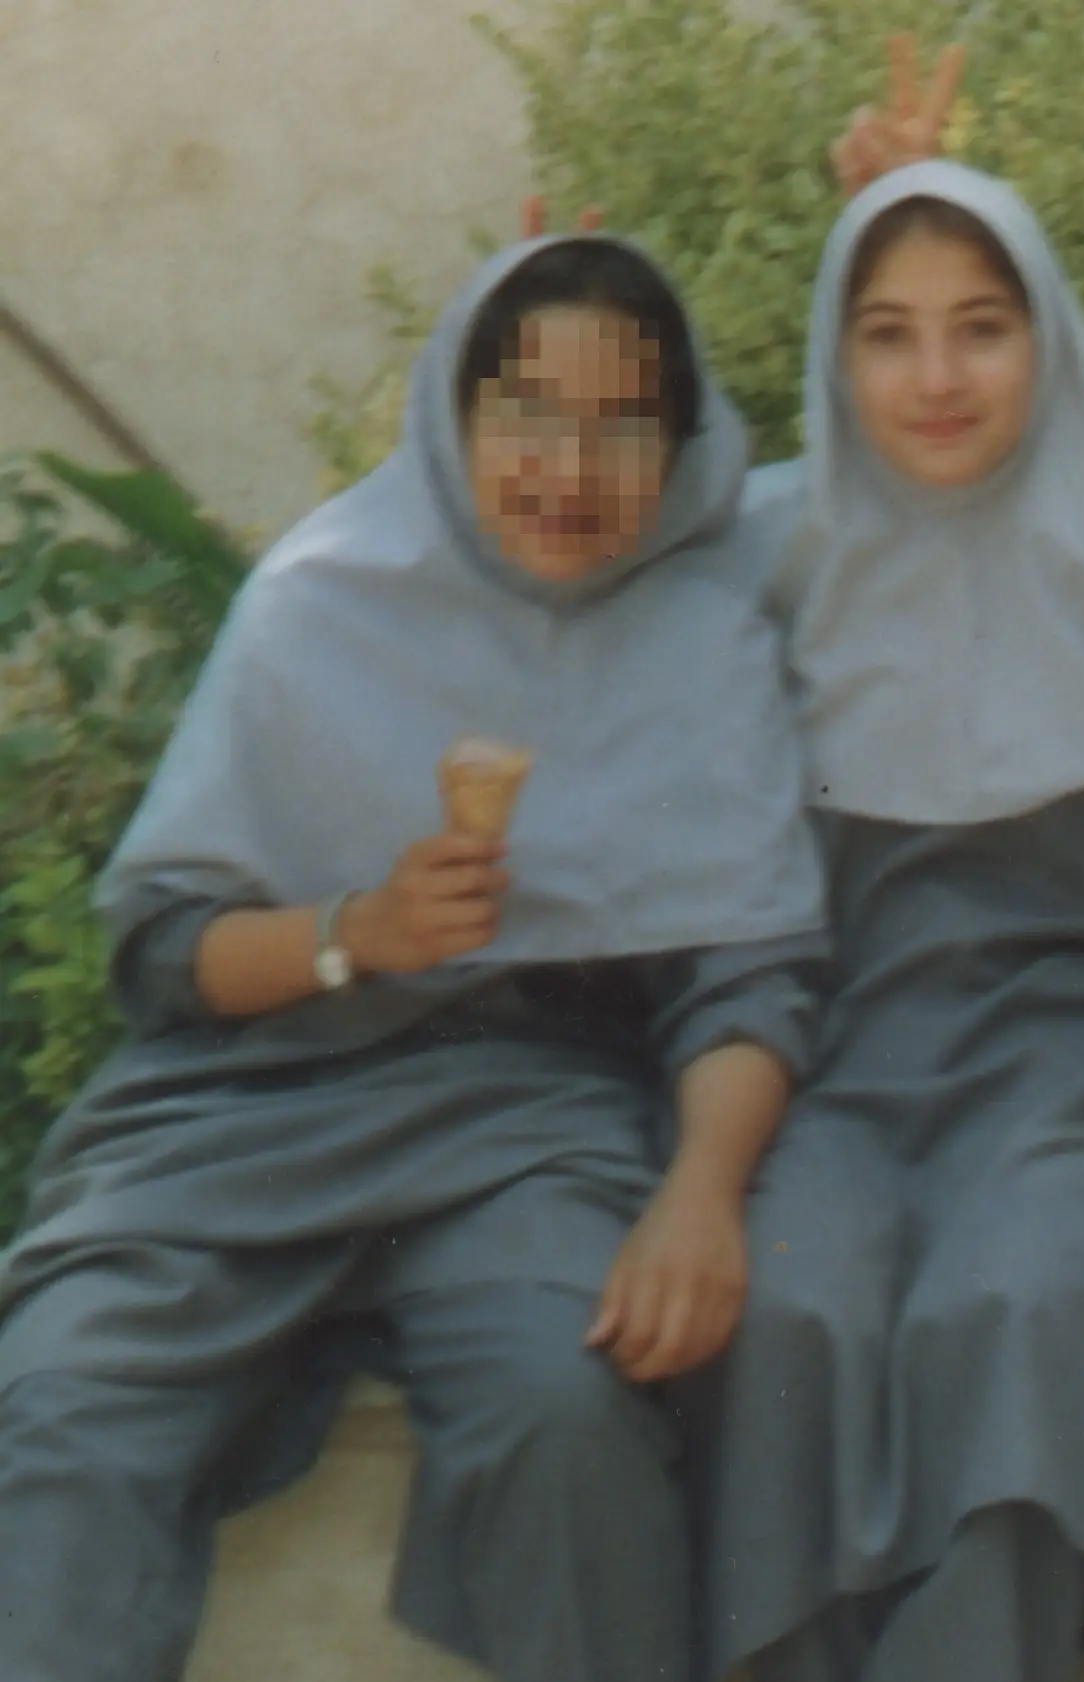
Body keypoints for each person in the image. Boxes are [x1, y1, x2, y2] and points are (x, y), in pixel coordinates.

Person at [0, 228, 831, 1682]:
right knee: (62, 1406)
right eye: (528, 411)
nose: (570, 468)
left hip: (529, 1118)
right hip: (242, 1109)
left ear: (686, 446)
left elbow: (746, 977)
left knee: (567, 1410)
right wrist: (355, 933)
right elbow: (167, 956)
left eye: (624, 422)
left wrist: (701, 1192)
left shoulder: (704, 645)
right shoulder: (322, 597)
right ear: (455, 410)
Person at [696, 45, 1084, 1682]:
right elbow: (552, 526)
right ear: (834, 360)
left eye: (983, 326)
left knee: (1030, 1300)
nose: (936, 379)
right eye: (888, 331)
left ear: (1048, 336)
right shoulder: (779, 545)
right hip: (846, 1070)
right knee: (791, 1310)